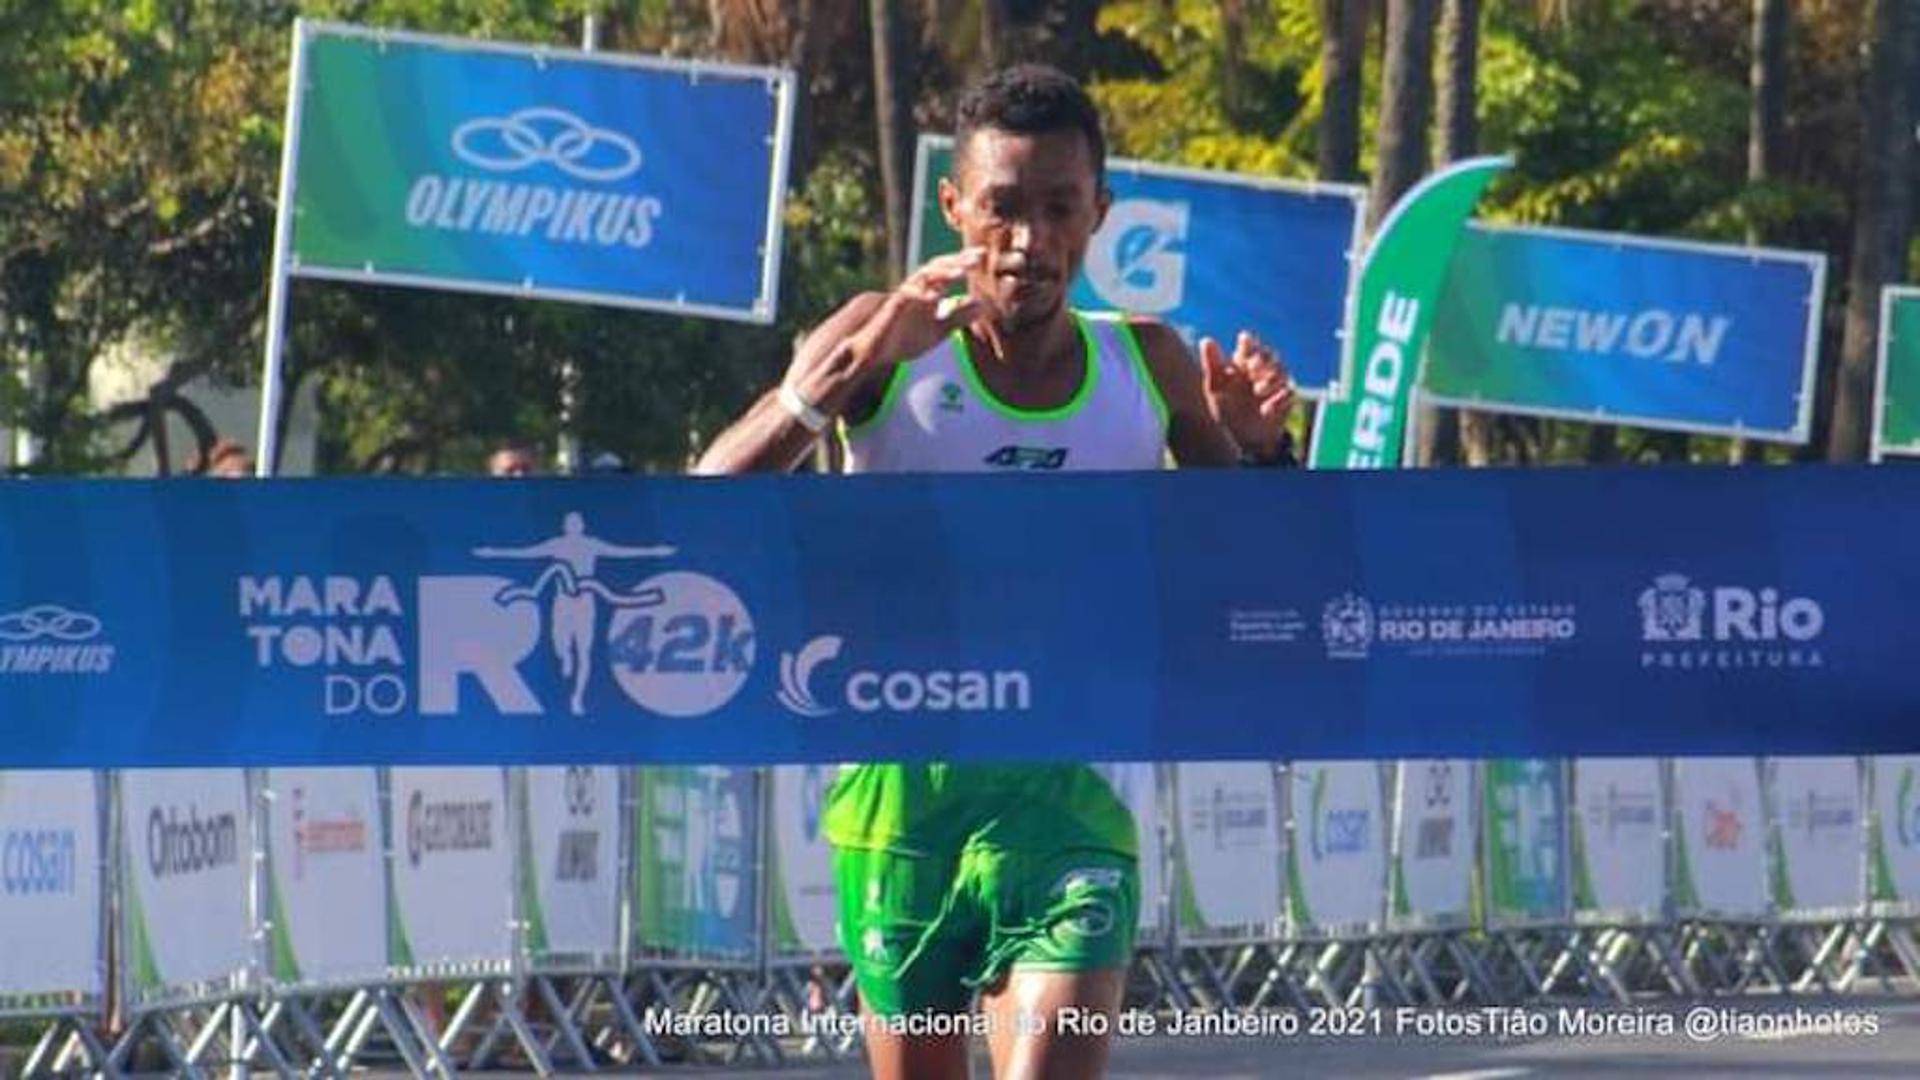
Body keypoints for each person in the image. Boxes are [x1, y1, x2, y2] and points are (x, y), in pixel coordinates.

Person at [696, 63, 1295, 1080]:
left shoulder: (1148, 365)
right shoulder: (881, 341)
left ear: (1099, 213)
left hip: (1073, 799)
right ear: (953, 207)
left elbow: (1264, 564)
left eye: (1059, 208)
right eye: (1001, 210)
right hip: (901, 804)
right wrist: (843, 373)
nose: (1028, 242)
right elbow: (706, 495)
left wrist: (1263, 452)